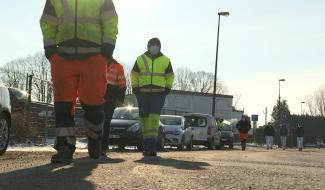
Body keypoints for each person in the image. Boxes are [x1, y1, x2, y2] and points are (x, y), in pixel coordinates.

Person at [40, 0, 118, 163]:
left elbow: (110, 20)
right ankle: (64, 147)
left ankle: (95, 137)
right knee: (63, 105)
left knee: (93, 104)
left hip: (94, 56)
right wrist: (50, 50)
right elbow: (47, 22)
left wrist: (107, 49)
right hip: (62, 56)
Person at [130, 37, 174, 157]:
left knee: (154, 119)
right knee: (144, 119)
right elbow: (133, 74)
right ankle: (147, 146)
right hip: (142, 93)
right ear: (148, 46)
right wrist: (135, 86)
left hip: (158, 94)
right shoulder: (140, 59)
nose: (154, 47)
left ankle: (151, 147)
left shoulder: (165, 60)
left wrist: (168, 87)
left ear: (160, 47)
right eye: (152, 45)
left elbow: (170, 75)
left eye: (157, 45)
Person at [101, 59, 126, 155]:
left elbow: (122, 84)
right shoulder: (97, 63)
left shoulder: (118, 67)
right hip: (96, 99)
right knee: (96, 123)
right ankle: (95, 145)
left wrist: (120, 99)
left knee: (106, 123)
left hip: (109, 101)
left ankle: (103, 146)